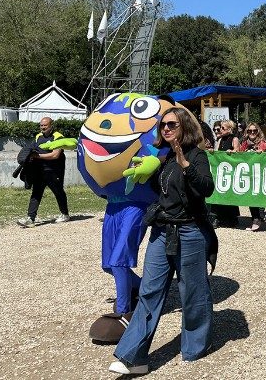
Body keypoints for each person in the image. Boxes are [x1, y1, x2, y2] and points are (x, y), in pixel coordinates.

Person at [109, 107, 216, 375]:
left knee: (192, 292)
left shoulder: (196, 155)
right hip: (161, 231)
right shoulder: (164, 156)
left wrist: (186, 165)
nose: (166, 129)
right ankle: (133, 356)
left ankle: (194, 346)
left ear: (185, 128)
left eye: (172, 125)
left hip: (190, 232)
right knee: (149, 290)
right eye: (163, 125)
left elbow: (207, 188)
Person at [17, 117, 69, 227]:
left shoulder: (58, 137)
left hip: (54, 171)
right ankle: (30, 218)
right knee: (36, 193)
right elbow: (32, 149)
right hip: (40, 171)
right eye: (41, 125)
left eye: (45, 125)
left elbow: (55, 155)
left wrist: (38, 156)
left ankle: (65, 214)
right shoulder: (38, 137)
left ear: (51, 126)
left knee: (58, 192)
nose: (43, 127)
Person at [240, 122, 266, 231]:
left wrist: (262, 153)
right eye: (249, 131)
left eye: (254, 131)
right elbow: (239, 156)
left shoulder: (263, 143)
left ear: (258, 132)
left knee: (257, 196)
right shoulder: (244, 144)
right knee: (250, 197)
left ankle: (258, 218)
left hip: (259, 173)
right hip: (248, 174)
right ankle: (254, 218)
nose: (252, 133)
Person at [212, 120, 241, 228]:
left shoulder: (234, 139)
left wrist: (232, 152)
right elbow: (217, 152)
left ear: (229, 129)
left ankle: (232, 218)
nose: (220, 130)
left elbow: (238, 153)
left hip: (231, 170)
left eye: (223, 128)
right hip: (221, 170)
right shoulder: (220, 140)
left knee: (229, 194)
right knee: (220, 192)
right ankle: (219, 218)